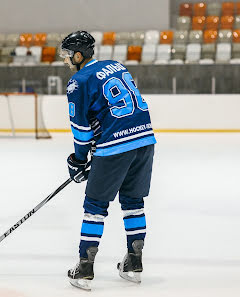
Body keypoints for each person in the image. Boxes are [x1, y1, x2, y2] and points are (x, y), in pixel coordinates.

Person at [60, 31, 157, 291]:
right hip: (145, 139)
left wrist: (79, 161)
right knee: (133, 201)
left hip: (115, 145)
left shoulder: (77, 81)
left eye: (69, 55)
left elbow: (80, 130)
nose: (67, 60)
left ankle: (84, 268)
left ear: (79, 55)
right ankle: (134, 263)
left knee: (95, 205)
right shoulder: (116, 65)